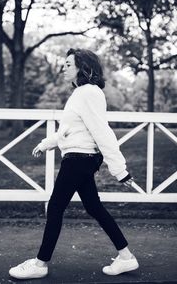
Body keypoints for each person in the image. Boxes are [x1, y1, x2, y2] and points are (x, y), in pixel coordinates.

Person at [9, 48, 139, 280]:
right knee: (93, 207)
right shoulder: (82, 93)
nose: (63, 68)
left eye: (68, 64)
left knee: (56, 206)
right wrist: (46, 143)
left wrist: (119, 169)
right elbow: (69, 131)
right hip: (80, 158)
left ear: (83, 67)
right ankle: (126, 257)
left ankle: (40, 263)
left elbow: (102, 132)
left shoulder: (87, 92)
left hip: (79, 160)